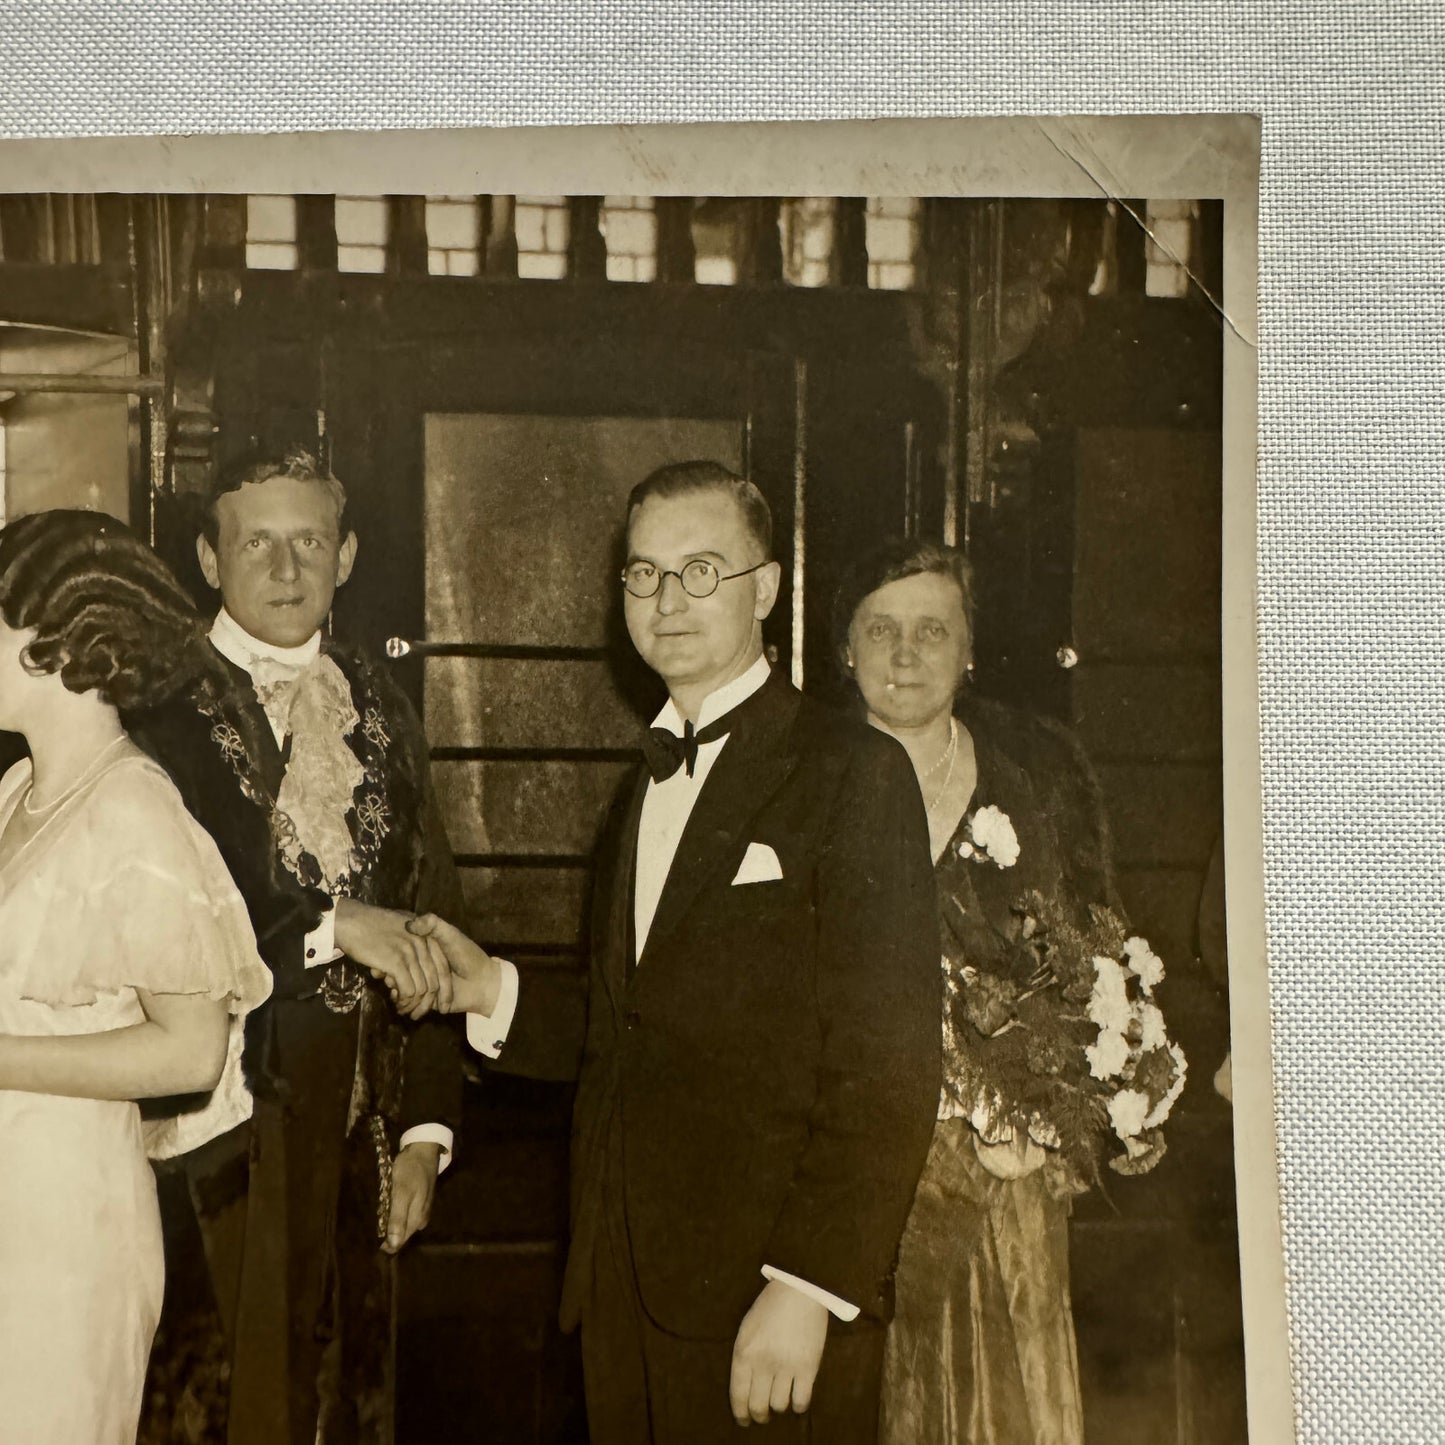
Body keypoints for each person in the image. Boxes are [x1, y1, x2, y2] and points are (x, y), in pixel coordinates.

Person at [408, 461, 941, 1443]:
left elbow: (890, 1067)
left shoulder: (850, 771)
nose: (667, 600)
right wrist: (487, 988)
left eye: (701, 570)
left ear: (766, 589)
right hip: (619, 1285)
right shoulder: (641, 786)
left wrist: (806, 1288)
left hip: (761, 1298)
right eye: (643, 574)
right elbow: (631, 1029)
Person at [128, 448, 464, 1445]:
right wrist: (333, 923)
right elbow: (167, 909)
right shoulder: (157, 707)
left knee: (342, 1395)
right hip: (213, 1125)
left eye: (308, 540)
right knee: (221, 1398)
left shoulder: (384, 709)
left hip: (357, 1118)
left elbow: (431, 909)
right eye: (256, 541)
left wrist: (422, 1135)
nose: (284, 567)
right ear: (207, 555)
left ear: (346, 555)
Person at [833, 537, 1123, 1445]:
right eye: (881, 629)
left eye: (932, 630)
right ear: (846, 649)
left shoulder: (1036, 775)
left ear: (969, 649)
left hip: (1003, 1173)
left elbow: (1094, 960)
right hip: (845, 1167)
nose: (906, 653)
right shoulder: (799, 778)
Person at [0, 509, 271, 1444]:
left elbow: (192, 1049)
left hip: (65, 1221)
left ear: (58, 643)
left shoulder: (134, 811)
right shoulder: (15, 791)